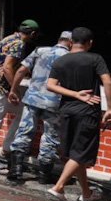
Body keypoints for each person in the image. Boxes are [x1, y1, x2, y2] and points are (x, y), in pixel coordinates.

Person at [44, 27, 111, 201]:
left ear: (70, 42)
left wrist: (74, 94)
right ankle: (58, 187)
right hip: (87, 112)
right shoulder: (95, 59)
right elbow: (108, 81)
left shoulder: (61, 61)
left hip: (66, 111)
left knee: (76, 154)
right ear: (90, 43)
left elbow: (50, 85)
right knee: (80, 152)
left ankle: (86, 193)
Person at [5, 30, 73, 183]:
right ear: (70, 42)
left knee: (24, 131)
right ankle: (44, 175)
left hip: (32, 100)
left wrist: (14, 89)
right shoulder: (70, 58)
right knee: (50, 138)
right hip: (54, 103)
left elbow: (21, 70)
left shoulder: (40, 51)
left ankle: (16, 170)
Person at [0, 20, 39, 172]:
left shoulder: (5, 39)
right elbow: (7, 67)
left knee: (23, 112)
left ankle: (7, 147)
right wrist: (14, 88)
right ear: (32, 33)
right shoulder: (19, 44)